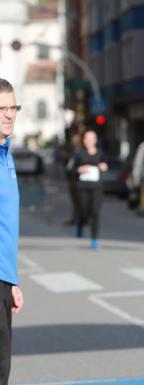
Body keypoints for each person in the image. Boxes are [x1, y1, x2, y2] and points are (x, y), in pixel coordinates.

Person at [0, 78, 25, 385]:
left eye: (13, 107)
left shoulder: (7, 155)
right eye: (1, 108)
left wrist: (12, 280)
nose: (8, 114)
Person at [70, 129, 108, 250]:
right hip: (82, 187)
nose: (90, 141)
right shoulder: (78, 153)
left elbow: (105, 165)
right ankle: (81, 223)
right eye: (87, 139)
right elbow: (70, 169)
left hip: (97, 187)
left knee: (95, 212)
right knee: (84, 211)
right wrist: (79, 169)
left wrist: (103, 167)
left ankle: (94, 240)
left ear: (95, 140)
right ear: (84, 140)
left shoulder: (100, 153)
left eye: (92, 139)